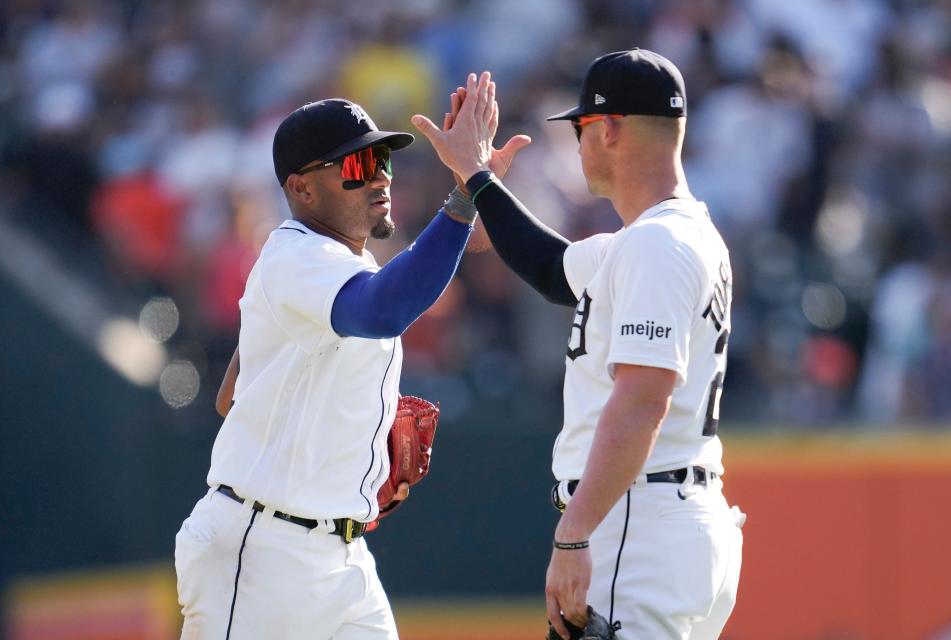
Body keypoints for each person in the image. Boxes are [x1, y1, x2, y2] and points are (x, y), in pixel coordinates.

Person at [412, 49, 745, 640]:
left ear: (610, 129)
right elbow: (547, 265)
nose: (579, 142)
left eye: (581, 128)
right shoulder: (664, 238)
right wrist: (476, 176)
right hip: (667, 516)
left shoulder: (657, 245)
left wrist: (575, 533)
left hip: (638, 521)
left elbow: (643, 400)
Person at [175, 75, 521, 639]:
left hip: (340, 554)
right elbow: (385, 309)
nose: (380, 176)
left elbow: (230, 396)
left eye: (382, 159)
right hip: (262, 551)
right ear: (302, 188)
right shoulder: (298, 255)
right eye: (357, 167)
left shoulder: (326, 266)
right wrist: (464, 193)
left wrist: (350, 447)